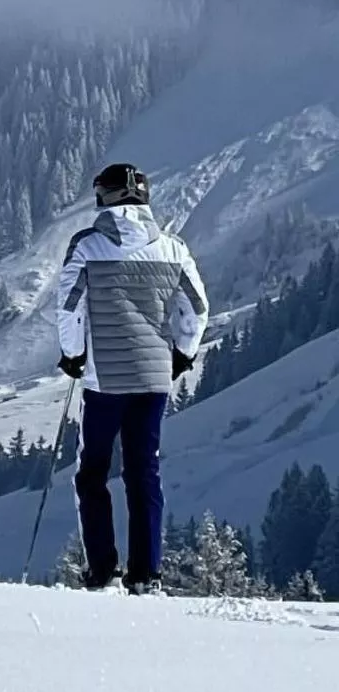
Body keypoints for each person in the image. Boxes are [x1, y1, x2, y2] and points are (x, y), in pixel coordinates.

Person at [57, 162, 209, 594]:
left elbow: (69, 306)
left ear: (104, 196)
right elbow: (197, 310)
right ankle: (147, 574)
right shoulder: (173, 249)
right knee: (144, 472)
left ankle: (103, 570)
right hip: (154, 378)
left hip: (104, 380)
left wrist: (73, 355)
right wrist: (182, 355)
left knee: (92, 473)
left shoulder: (87, 246)